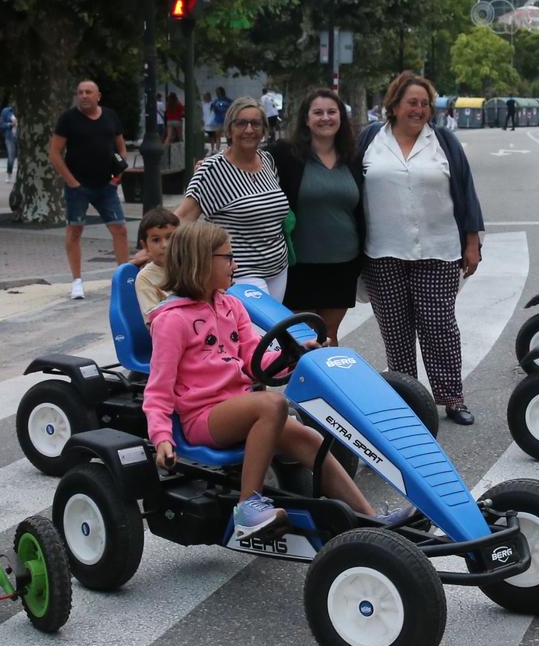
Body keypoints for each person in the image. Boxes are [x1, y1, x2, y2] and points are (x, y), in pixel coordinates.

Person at [143, 222, 416, 542]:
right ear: (201, 261)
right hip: (203, 417)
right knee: (273, 403)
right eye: (228, 258)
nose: (236, 265)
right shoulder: (172, 320)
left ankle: (370, 521)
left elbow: (253, 360)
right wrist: (161, 437)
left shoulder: (230, 305)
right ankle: (247, 509)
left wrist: (295, 354)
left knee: (309, 439)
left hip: (241, 407)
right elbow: (158, 387)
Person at [359, 71, 485, 426]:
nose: (419, 109)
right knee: (395, 329)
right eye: (412, 103)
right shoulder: (370, 139)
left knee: (438, 325)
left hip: (439, 248)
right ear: (394, 106)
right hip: (382, 251)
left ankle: (452, 398)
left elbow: (466, 190)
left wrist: (472, 242)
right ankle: (407, 399)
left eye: (425, 104)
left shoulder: (443, 141)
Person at [270, 88, 365, 335]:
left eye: (332, 112)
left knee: (330, 334)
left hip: (343, 263)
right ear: (306, 119)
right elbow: (247, 161)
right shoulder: (284, 154)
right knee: (302, 335)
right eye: (318, 112)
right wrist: (213, 163)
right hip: (300, 264)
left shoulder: (353, 156)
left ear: (341, 118)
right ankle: (297, 375)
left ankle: (330, 375)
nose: (326, 118)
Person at [178, 97, 291, 296]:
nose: (249, 129)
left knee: (269, 328)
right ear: (229, 129)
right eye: (241, 123)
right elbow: (182, 218)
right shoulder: (211, 170)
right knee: (255, 328)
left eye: (255, 123)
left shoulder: (267, 160)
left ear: (264, 129)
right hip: (240, 272)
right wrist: (155, 250)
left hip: (278, 269)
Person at [48, 78, 130, 301]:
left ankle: (123, 278)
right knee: (75, 230)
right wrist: (71, 181)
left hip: (106, 185)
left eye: (88, 92)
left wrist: (117, 176)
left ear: (98, 96)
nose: (84, 96)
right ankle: (76, 281)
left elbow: (121, 148)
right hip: (78, 187)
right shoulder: (68, 119)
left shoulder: (110, 116)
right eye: (80, 92)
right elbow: (55, 153)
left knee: (119, 229)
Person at [133, 207, 178, 316]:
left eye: (170, 237)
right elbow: (153, 319)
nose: (164, 245)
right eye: (156, 240)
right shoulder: (145, 278)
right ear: (145, 246)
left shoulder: (190, 266)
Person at [206, 86, 229, 151]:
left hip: (226, 121)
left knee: (228, 135)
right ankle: (217, 150)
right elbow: (211, 110)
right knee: (217, 136)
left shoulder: (228, 100)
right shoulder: (215, 101)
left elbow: (232, 108)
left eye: (219, 92)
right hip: (217, 120)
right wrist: (213, 107)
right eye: (217, 92)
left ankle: (229, 149)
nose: (217, 94)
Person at [0, 99, 18, 176]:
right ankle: (9, 173)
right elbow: (1, 124)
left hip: (20, 137)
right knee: (11, 156)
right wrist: (10, 124)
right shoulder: (6, 111)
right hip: (10, 137)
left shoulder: (24, 111)